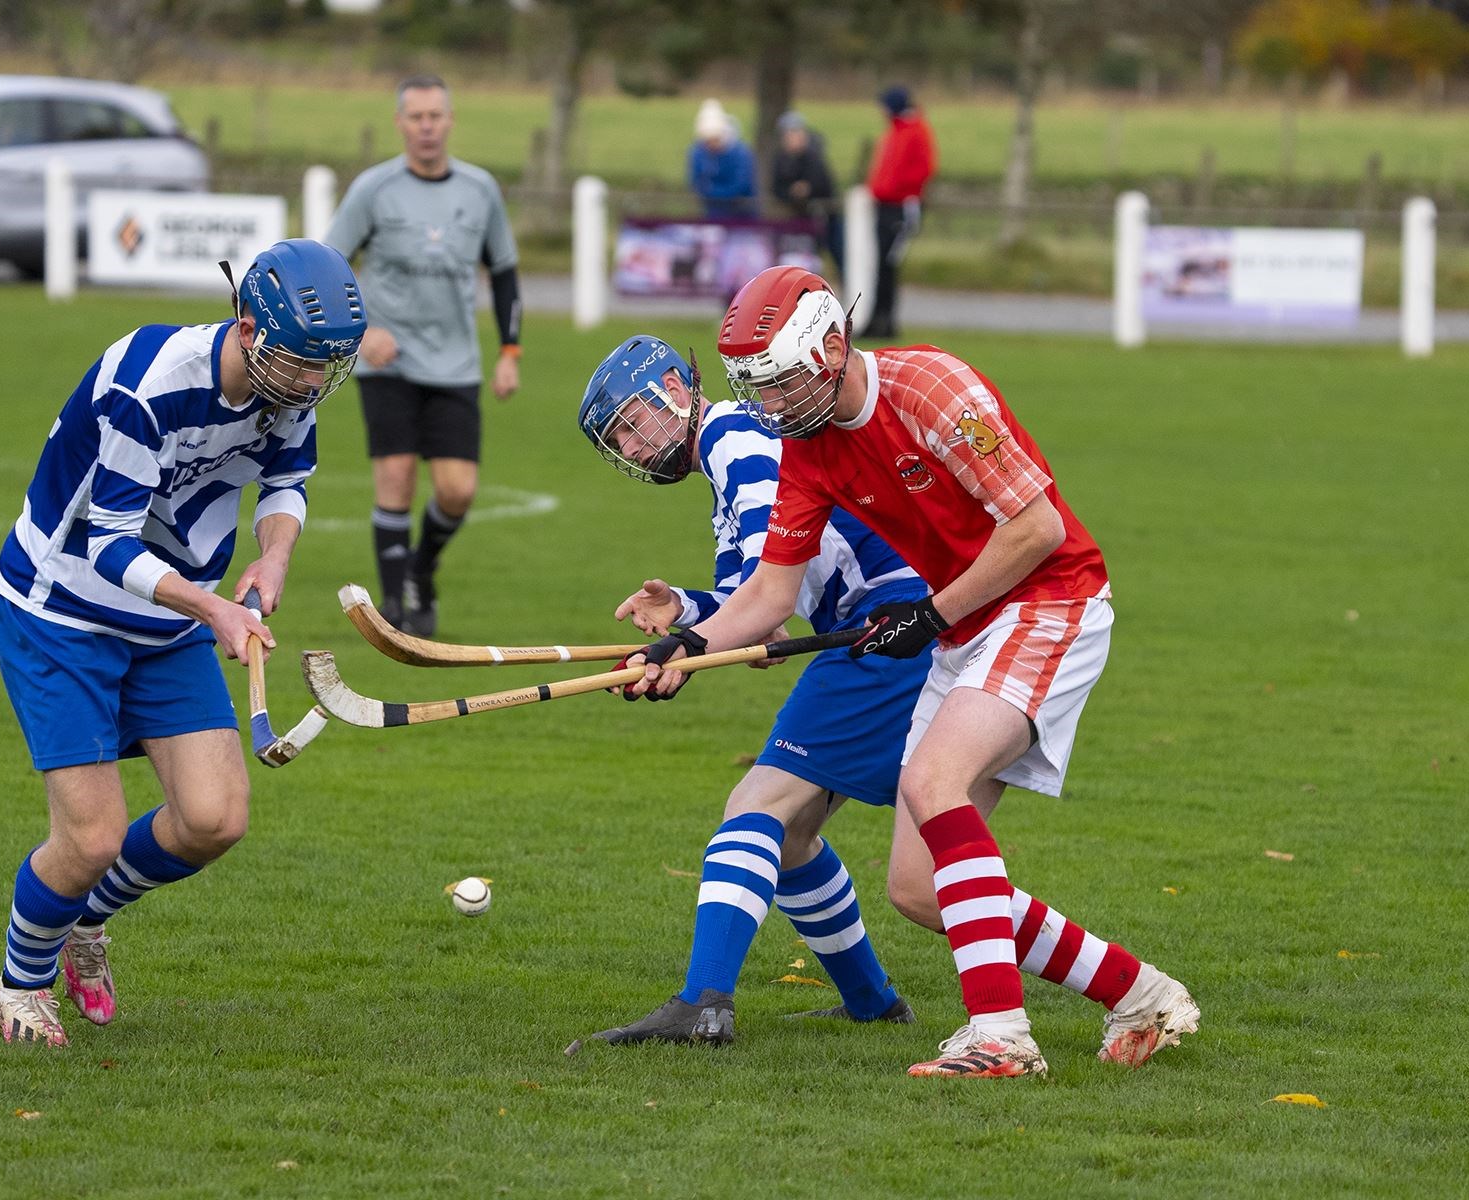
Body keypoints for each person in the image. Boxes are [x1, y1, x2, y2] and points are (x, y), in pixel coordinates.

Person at [624, 266, 1198, 1078]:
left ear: (831, 344)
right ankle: (1140, 992)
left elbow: (1035, 529)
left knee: (934, 782)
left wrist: (928, 615)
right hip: (966, 624)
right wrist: (688, 643)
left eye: (785, 383)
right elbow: (769, 593)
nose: (776, 406)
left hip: (1049, 599)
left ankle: (1001, 1038)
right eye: (760, 390)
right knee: (921, 890)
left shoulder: (931, 387)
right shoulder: (805, 447)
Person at [0, 240, 366, 1046]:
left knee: (214, 818)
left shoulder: (289, 382)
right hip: (63, 610)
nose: (312, 385)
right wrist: (215, 611)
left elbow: (287, 481)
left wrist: (271, 556)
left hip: (166, 618)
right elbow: (111, 546)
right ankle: (21, 985)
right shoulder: (152, 384)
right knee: (88, 837)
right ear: (249, 329)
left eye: (326, 367)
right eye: (303, 364)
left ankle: (84, 922)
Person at [576, 335, 934, 1045]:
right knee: (794, 835)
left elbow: (773, 600)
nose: (633, 448)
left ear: (676, 392)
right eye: (618, 440)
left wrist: (688, 649)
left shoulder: (738, 442)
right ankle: (872, 1002)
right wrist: (684, 610)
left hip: (885, 633)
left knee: (757, 804)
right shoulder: (731, 453)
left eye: (632, 425)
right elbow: (753, 592)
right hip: (877, 630)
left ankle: (702, 1003)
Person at [325, 74, 521, 638]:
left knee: (458, 492)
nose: (427, 126)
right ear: (400, 123)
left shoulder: (480, 190)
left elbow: (505, 272)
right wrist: (360, 334)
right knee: (396, 476)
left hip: (456, 364)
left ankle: (421, 567)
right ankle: (395, 613)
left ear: (450, 120)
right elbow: (326, 266)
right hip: (387, 363)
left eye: (436, 116)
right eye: (417, 117)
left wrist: (510, 350)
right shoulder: (373, 189)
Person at [861, 86, 936, 340]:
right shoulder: (895, 131)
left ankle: (886, 322)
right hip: (885, 205)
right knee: (880, 265)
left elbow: (924, 169)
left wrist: (894, 189)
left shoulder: (915, 131)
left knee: (889, 264)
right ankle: (876, 320)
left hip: (901, 207)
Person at [769, 111, 841, 266]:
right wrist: (791, 192)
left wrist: (808, 188)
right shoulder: (781, 160)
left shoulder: (814, 156)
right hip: (794, 220)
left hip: (823, 218)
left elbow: (825, 184)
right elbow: (776, 187)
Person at [686, 99, 757, 218]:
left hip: (742, 213)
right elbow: (695, 181)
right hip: (712, 213)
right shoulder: (698, 152)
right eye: (707, 141)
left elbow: (740, 185)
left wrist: (712, 191)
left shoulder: (741, 153)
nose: (711, 145)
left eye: (715, 139)